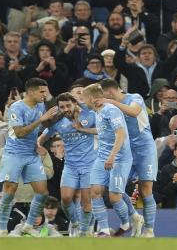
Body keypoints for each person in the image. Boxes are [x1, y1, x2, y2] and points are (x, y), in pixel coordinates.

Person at [0, 78, 58, 237]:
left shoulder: (40, 105)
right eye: (42, 91)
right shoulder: (16, 108)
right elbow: (19, 133)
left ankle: (29, 225)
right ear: (31, 92)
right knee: (9, 192)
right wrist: (41, 119)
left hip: (31, 155)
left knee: (42, 193)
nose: (45, 95)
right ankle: (3, 230)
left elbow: (42, 125)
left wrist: (40, 139)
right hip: (14, 154)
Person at [100, 78, 157, 237]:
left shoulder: (134, 97)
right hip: (125, 151)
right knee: (115, 187)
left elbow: (134, 112)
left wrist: (111, 102)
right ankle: (135, 217)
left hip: (145, 149)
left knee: (146, 190)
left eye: (104, 95)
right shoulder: (109, 108)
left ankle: (150, 230)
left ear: (110, 92)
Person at [37, 92, 96, 237]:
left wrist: (82, 129)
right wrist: (38, 145)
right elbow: (42, 138)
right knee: (66, 199)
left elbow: (102, 130)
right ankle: (75, 223)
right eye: (62, 107)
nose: (65, 109)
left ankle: (83, 232)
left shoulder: (88, 115)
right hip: (70, 166)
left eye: (68, 105)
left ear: (75, 103)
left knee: (86, 201)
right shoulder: (58, 122)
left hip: (89, 165)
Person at [81, 83, 133, 237]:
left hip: (119, 157)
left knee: (114, 197)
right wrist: (83, 129)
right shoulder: (97, 111)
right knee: (95, 192)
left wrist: (112, 156)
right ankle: (104, 230)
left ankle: (126, 223)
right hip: (102, 156)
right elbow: (103, 130)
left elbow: (120, 134)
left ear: (91, 98)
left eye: (84, 99)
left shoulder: (111, 110)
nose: (83, 102)